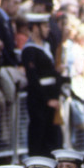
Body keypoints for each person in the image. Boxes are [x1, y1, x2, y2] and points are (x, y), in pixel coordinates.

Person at [21, 12, 64, 157]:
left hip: (52, 100)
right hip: (39, 101)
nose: (48, 29)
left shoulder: (47, 46)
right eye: (44, 26)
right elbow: (33, 79)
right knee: (39, 138)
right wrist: (47, 99)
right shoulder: (29, 50)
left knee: (53, 139)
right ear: (34, 28)